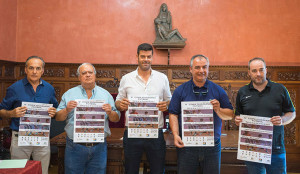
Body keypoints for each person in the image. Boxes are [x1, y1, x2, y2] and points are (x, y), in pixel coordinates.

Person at [168, 54, 234, 174]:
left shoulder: (218, 90)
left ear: (208, 68)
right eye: (197, 67)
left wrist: (218, 110)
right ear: (190, 69)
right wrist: (176, 135)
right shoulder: (180, 90)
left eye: (204, 67)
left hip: (212, 146)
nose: (201, 71)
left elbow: (230, 114)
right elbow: (173, 114)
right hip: (186, 146)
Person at [115, 43, 172, 174]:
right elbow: (117, 102)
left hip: (155, 132)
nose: (146, 59)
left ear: (152, 57)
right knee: (130, 170)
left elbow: (170, 100)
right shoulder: (126, 78)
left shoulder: (162, 78)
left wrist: (167, 105)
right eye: (143, 56)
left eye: (148, 56)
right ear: (137, 57)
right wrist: (120, 105)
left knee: (158, 170)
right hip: (132, 132)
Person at [55, 63, 120, 174]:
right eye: (84, 73)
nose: (88, 75)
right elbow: (58, 118)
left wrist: (110, 112)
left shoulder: (106, 95)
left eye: (90, 72)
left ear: (95, 75)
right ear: (79, 77)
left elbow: (116, 118)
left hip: (99, 146)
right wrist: (66, 110)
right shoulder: (69, 94)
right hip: (75, 146)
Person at [234, 57, 296, 174]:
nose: (258, 74)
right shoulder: (242, 92)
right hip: (251, 148)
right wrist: (237, 120)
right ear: (249, 72)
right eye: (254, 71)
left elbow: (292, 113)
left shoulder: (280, 89)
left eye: (261, 70)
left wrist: (282, 120)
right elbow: (238, 116)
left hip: (276, 148)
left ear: (266, 70)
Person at [0, 56, 58, 174]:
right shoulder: (14, 88)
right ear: (25, 70)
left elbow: (55, 108)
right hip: (20, 138)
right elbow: (1, 110)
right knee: (19, 171)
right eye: (31, 68)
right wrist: (11, 113)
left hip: (42, 138)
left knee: (42, 171)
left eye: (38, 68)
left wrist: (54, 112)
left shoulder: (49, 89)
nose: (34, 71)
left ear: (42, 71)